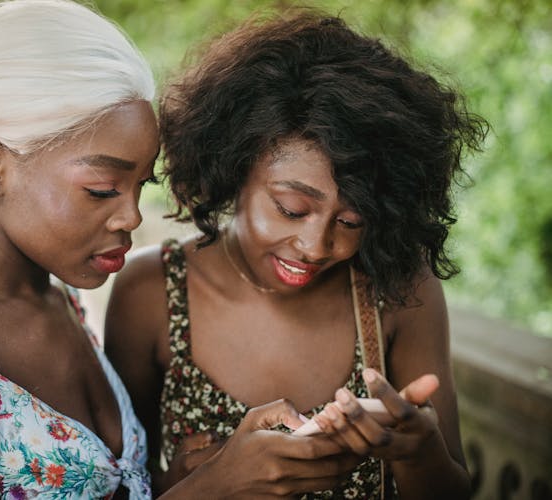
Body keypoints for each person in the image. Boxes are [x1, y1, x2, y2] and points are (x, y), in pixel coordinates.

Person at [0, 1, 361, 498]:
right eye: (102, 189)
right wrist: (213, 490)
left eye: (140, 189)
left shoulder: (55, 300)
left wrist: (185, 477)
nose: (131, 216)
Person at [105, 7, 488, 499]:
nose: (316, 246)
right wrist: (205, 482)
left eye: (352, 221)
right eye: (290, 209)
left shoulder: (396, 292)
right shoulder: (152, 293)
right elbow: (119, 486)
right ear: (233, 166)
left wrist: (417, 451)